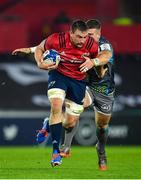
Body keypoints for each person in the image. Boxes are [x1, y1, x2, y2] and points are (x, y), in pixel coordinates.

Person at [12, 19, 115, 170]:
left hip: (103, 89)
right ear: (73, 33)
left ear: (99, 35)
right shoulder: (66, 40)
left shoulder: (100, 45)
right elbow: (46, 46)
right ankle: (62, 148)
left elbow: (106, 55)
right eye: (83, 36)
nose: (86, 39)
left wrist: (94, 62)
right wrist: (31, 51)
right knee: (58, 106)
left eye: (90, 35)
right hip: (81, 83)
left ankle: (101, 150)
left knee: (97, 125)